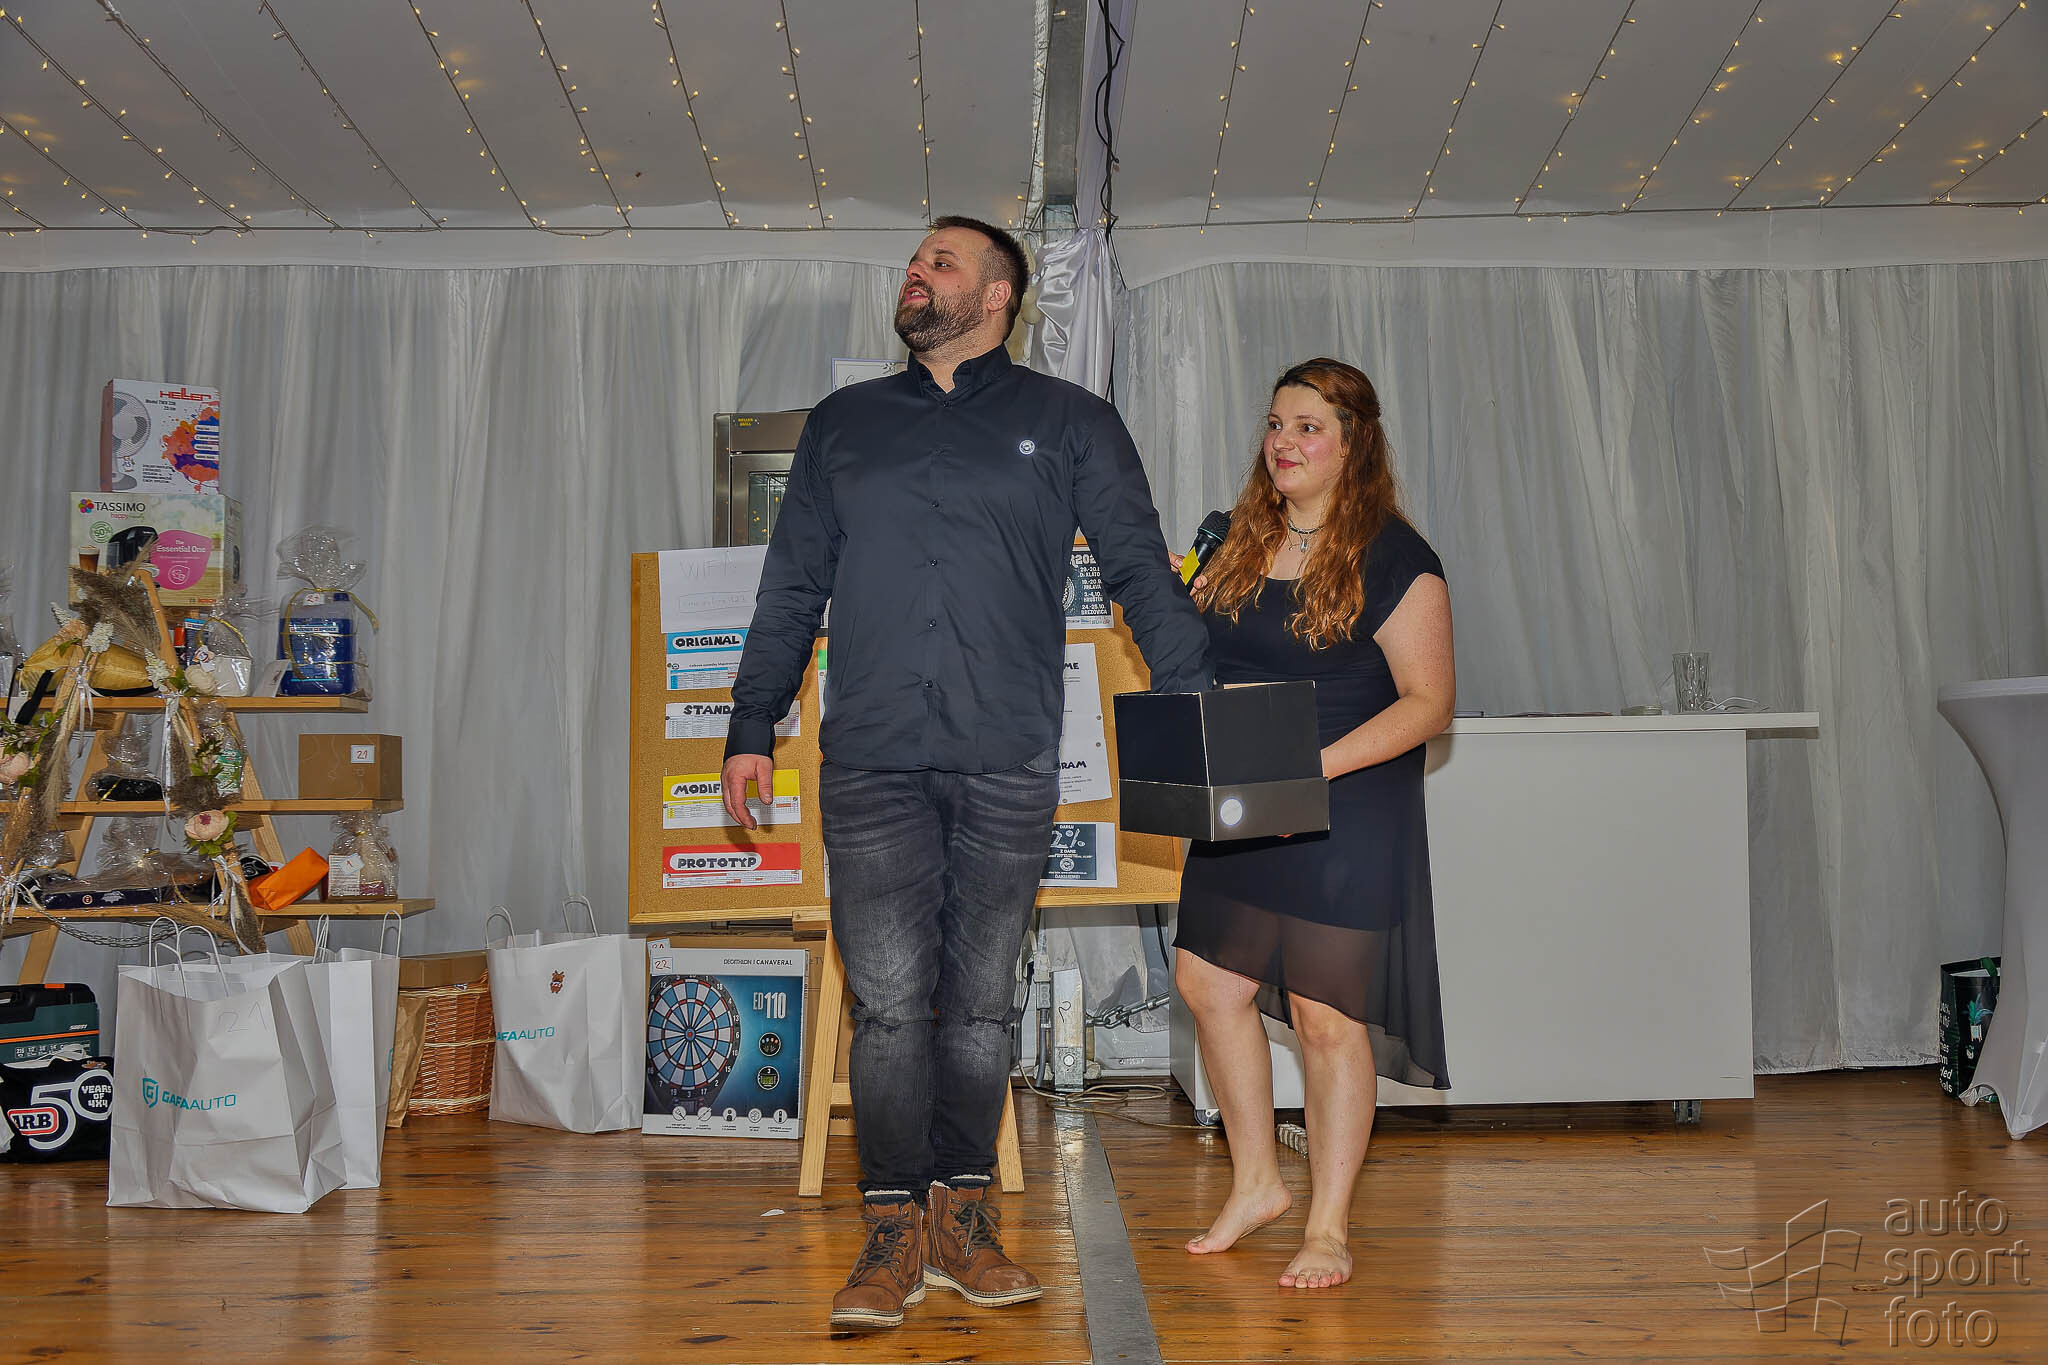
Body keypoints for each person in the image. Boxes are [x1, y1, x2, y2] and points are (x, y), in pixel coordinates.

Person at [721, 215, 1212, 1330]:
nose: (916, 272)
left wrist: (1199, 707)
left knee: (982, 1008)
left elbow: (1139, 569)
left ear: (997, 297)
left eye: (940, 262)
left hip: (1008, 757)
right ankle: (892, 1230)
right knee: (892, 1008)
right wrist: (750, 721)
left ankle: (963, 1218)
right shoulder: (844, 426)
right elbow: (791, 586)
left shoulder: (1071, 421)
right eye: (914, 260)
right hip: (872, 759)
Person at [1172, 357, 1454, 1291]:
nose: (1283, 443)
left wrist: (1314, 765)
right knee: (1208, 980)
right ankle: (1257, 1181)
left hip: (1346, 800)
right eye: (1274, 424)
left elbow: (1429, 703)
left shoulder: (1397, 557)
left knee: (1325, 1016)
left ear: (1353, 444)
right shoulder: (1237, 538)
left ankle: (1329, 1225)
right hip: (1248, 796)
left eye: (1307, 427)